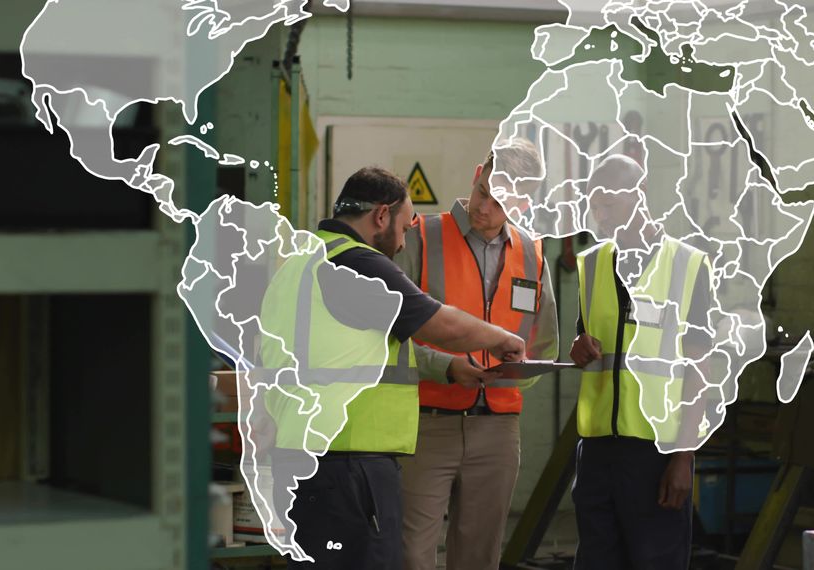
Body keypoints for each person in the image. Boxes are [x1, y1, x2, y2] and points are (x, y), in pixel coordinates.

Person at [258, 166, 527, 570]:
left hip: (300, 455)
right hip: (351, 461)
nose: (403, 242)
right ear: (381, 216)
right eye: (403, 227)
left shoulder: (300, 260)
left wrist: (449, 369)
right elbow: (442, 325)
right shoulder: (359, 263)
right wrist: (502, 339)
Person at [394, 139, 560, 570]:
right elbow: (389, 333)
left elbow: (545, 343)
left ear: (524, 202)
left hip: (498, 430)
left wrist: (514, 372)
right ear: (476, 176)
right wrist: (445, 367)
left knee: (479, 556)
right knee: (411, 553)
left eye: (501, 201)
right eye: (484, 191)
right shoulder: (422, 237)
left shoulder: (533, 254)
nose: (485, 207)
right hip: (427, 422)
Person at [568, 155, 714, 570]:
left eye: (609, 205)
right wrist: (579, 347)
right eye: (595, 206)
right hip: (596, 451)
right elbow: (587, 338)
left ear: (640, 194)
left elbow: (700, 369)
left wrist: (683, 457)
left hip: (655, 454)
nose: (600, 215)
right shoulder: (590, 264)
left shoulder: (687, 265)